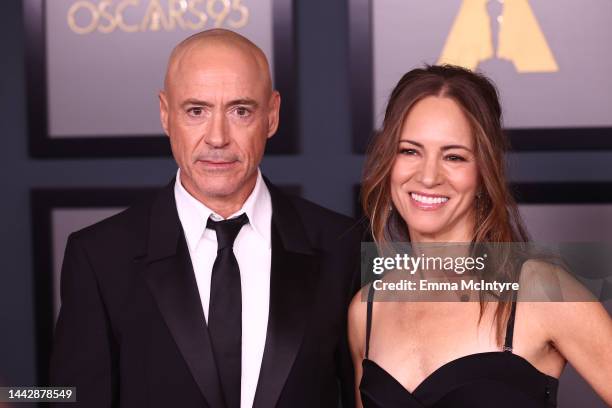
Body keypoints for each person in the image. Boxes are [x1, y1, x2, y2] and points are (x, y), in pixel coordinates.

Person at [50, 29, 361, 408]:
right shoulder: (99, 258)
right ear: (166, 114)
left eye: (240, 111)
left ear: (272, 115)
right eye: (196, 111)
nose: (217, 137)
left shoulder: (343, 247)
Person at [348, 65, 612, 407]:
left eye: (454, 156)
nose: (428, 176)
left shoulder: (540, 292)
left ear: (484, 170)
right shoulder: (367, 310)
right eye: (410, 151)